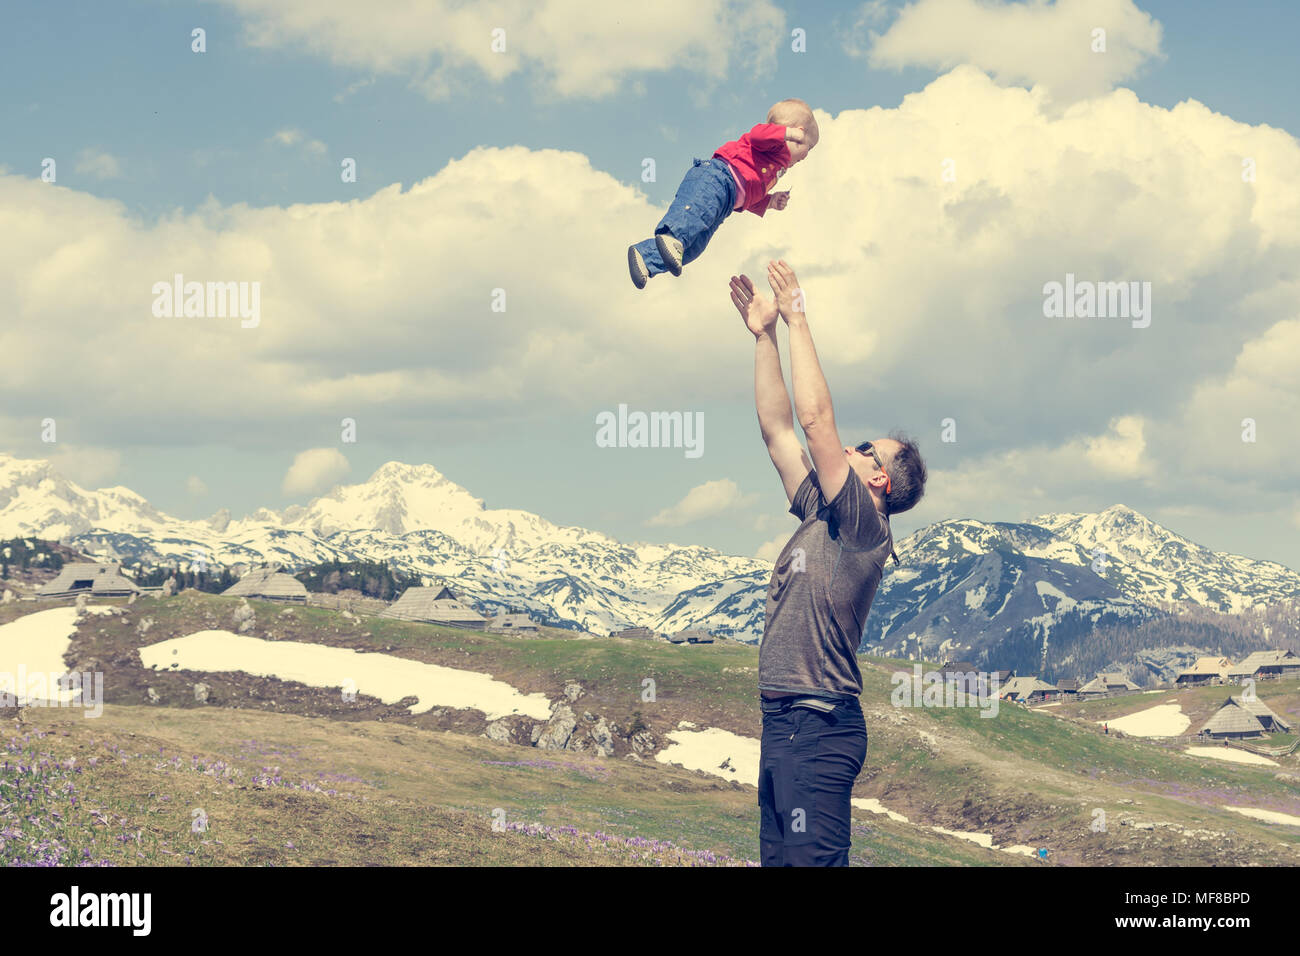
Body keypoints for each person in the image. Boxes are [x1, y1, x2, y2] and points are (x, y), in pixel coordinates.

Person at [730, 260, 928, 866]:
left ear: (878, 480)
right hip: (785, 724)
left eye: (866, 448)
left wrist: (797, 319)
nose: (851, 445)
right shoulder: (822, 509)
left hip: (818, 728)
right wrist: (763, 335)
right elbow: (777, 429)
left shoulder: (866, 528)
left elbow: (815, 423)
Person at [628, 99, 819, 289]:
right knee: (692, 216)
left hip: (726, 203)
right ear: (799, 133)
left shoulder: (775, 168)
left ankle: (645, 257)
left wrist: (769, 201)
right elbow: (758, 135)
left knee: (694, 247)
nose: (806, 156)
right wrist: (788, 133)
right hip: (716, 178)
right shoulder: (774, 144)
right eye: (808, 147)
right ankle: (672, 235)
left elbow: (750, 193)